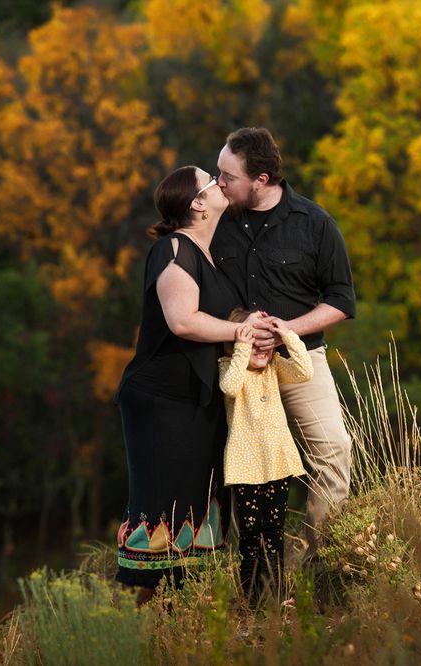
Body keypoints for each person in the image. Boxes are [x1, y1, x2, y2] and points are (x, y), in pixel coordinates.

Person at [114, 165, 266, 604]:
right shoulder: (173, 248)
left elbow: (217, 319)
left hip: (199, 400)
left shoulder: (212, 254)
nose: (222, 183)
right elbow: (183, 321)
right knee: (160, 514)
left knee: (195, 511)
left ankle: (177, 627)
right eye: (211, 181)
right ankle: (132, 631)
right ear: (197, 203)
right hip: (161, 401)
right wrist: (240, 332)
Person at [212, 127, 356, 558]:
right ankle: (250, 580)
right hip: (236, 367)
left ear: (261, 179)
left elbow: (341, 301)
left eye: (228, 176)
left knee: (333, 452)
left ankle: (319, 564)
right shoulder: (216, 222)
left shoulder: (315, 224)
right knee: (241, 470)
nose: (219, 183)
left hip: (300, 360)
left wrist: (285, 330)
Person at [219, 308, 312, 606]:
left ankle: (276, 595)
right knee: (250, 536)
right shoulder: (230, 368)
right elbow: (229, 388)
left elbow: (304, 371)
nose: (260, 349)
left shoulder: (274, 366)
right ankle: (251, 599)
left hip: (278, 462)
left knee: (274, 533)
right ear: (236, 344)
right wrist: (242, 346)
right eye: (252, 342)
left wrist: (286, 334)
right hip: (246, 467)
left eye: (265, 342)